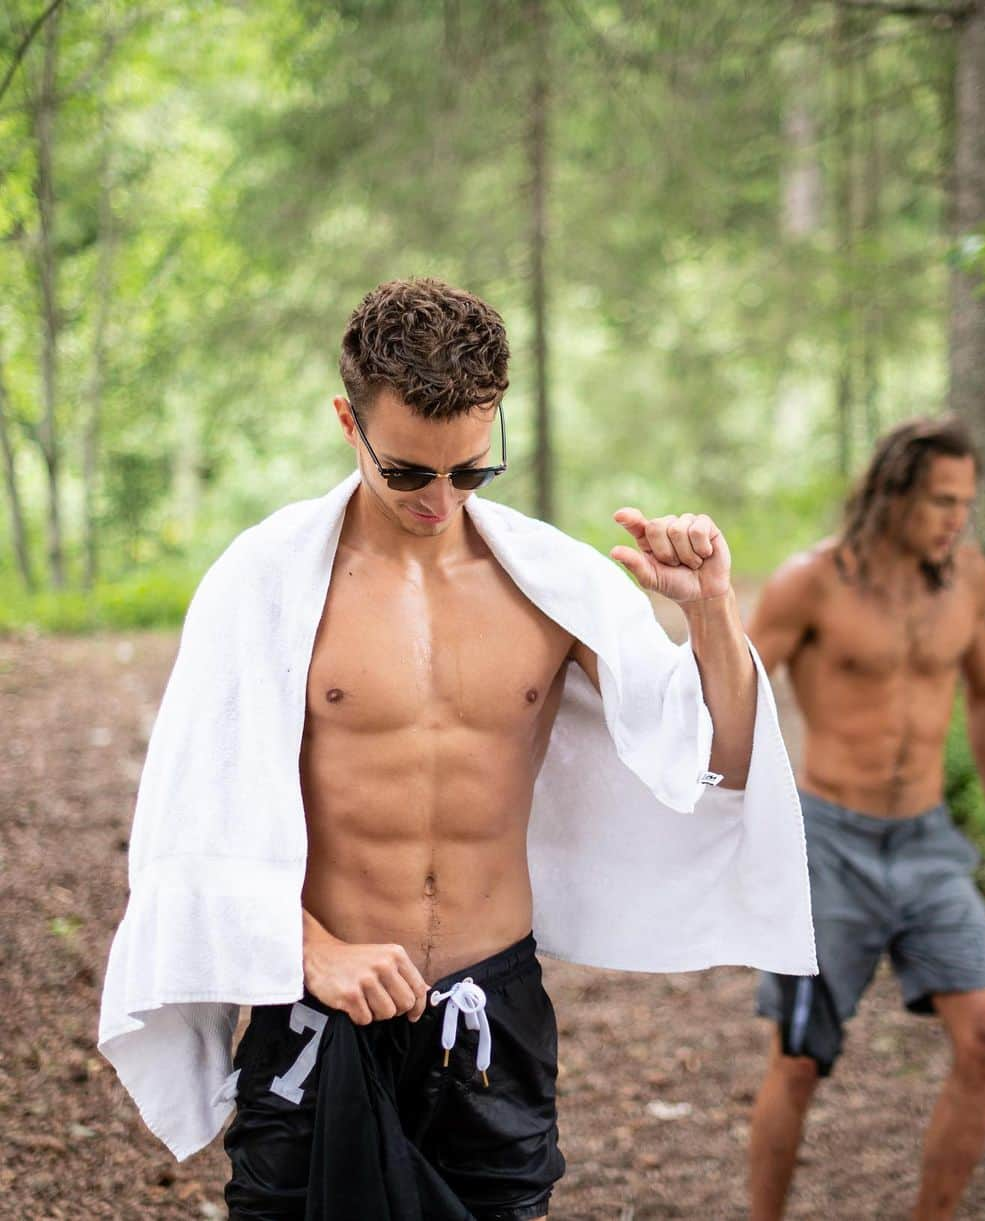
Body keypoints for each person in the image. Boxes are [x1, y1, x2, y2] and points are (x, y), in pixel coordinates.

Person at [99, 278, 816, 1220]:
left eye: (471, 471)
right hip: (322, 1014)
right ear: (346, 424)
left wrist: (712, 611)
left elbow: (718, 762)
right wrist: (309, 951)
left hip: (493, 1018)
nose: (441, 501)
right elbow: (188, 821)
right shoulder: (263, 584)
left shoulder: (551, 583)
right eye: (408, 473)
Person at [746, 417, 985, 1221]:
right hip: (830, 842)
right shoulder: (812, 583)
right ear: (893, 493)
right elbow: (730, 694)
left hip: (928, 843)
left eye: (966, 503)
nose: (956, 520)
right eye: (942, 501)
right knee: (798, 1060)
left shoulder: (966, 577)